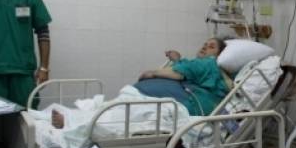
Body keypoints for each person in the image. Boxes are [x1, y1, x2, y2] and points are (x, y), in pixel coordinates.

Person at [50, 38, 230, 129]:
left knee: (119, 116)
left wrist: (152, 73)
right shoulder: (203, 67)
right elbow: (188, 73)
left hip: (171, 105)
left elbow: (181, 72)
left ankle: (73, 123)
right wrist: (177, 60)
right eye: (204, 44)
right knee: (114, 110)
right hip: (152, 97)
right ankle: (74, 119)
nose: (205, 47)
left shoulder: (210, 63)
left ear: (220, 55)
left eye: (211, 46)